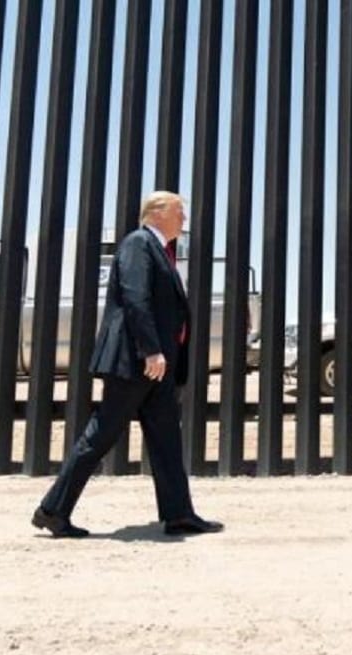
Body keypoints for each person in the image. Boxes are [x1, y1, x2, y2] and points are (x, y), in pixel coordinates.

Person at [32, 191, 223, 538]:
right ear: (158, 212)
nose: (184, 219)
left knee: (166, 439)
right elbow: (136, 299)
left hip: (156, 367)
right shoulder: (138, 243)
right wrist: (151, 350)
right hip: (136, 362)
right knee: (101, 435)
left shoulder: (159, 250)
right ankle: (52, 510)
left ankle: (179, 514)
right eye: (179, 212)